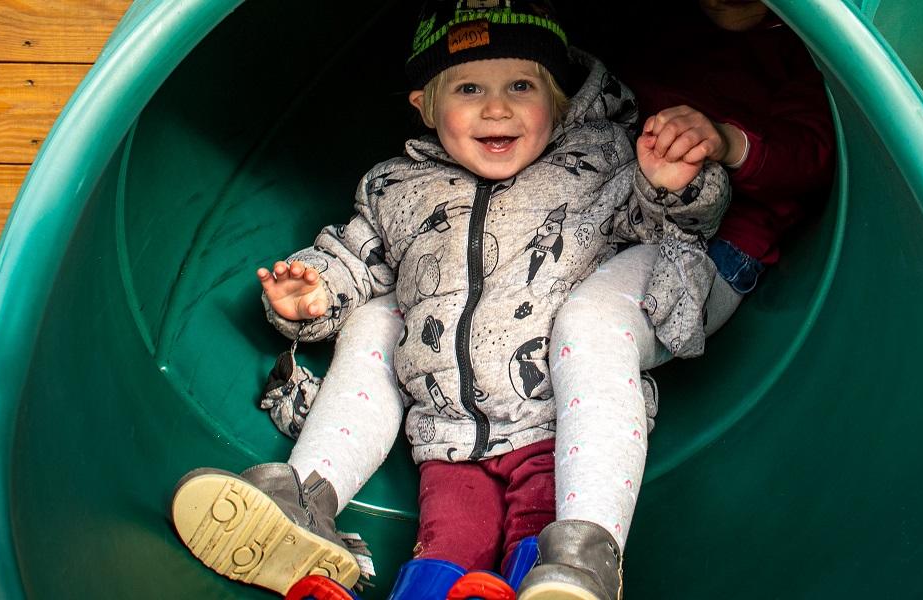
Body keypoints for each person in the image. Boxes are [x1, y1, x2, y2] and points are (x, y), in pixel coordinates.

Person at [169, 1, 730, 598]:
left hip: (554, 425)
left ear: (559, 99)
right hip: (446, 433)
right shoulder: (397, 188)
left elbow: (670, 230)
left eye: (521, 85)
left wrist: (678, 183)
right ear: (426, 107)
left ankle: (562, 581)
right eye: (468, 88)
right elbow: (356, 257)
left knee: (538, 542)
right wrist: (313, 291)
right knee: (447, 546)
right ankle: (309, 520)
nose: (497, 107)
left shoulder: (599, 164)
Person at [515, 2, 838, 598]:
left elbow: (815, 156)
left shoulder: (806, 46)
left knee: (593, 324)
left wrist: (728, 142)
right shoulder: (658, 20)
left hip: (705, 249)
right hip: (604, 211)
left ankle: (586, 553)